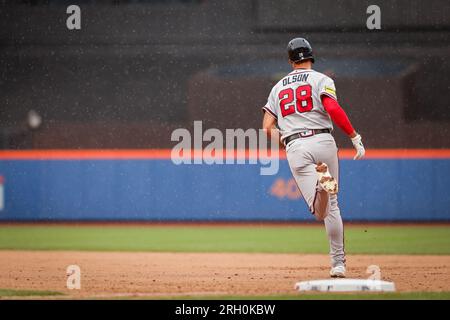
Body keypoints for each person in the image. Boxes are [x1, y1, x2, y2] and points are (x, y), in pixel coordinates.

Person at [262, 37, 365, 278]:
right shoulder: (321, 79)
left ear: (290, 61)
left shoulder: (278, 88)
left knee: (319, 212)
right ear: (311, 56)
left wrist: (287, 142)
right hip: (323, 142)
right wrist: (353, 135)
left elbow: (267, 126)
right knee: (333, 207)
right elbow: (332, 109)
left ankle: (321, 186)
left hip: (296, 144)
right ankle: (338, 264)